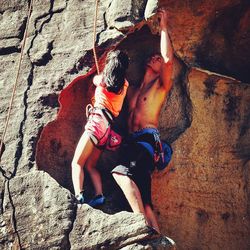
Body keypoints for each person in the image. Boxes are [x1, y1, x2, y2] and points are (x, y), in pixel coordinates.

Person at [111, 9, 173, 233]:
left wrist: (164, 27)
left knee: (120, 172)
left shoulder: (159, 88)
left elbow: (167, 60)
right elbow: (113, 81)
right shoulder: (133, 90)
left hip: (146, 142)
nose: (155, 57)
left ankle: (140, 228)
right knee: (145, 200)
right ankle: (157, 236)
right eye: (152, 56)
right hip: (131, 144)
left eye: (158, 58)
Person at [72, 50, 129, 206]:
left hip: (96, 122)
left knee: (77, 163)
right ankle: (99, 195)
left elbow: (97, 80)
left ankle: (79, 195)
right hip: (107, 129)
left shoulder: (102, 80)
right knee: (91, 165)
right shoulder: (124, 84)